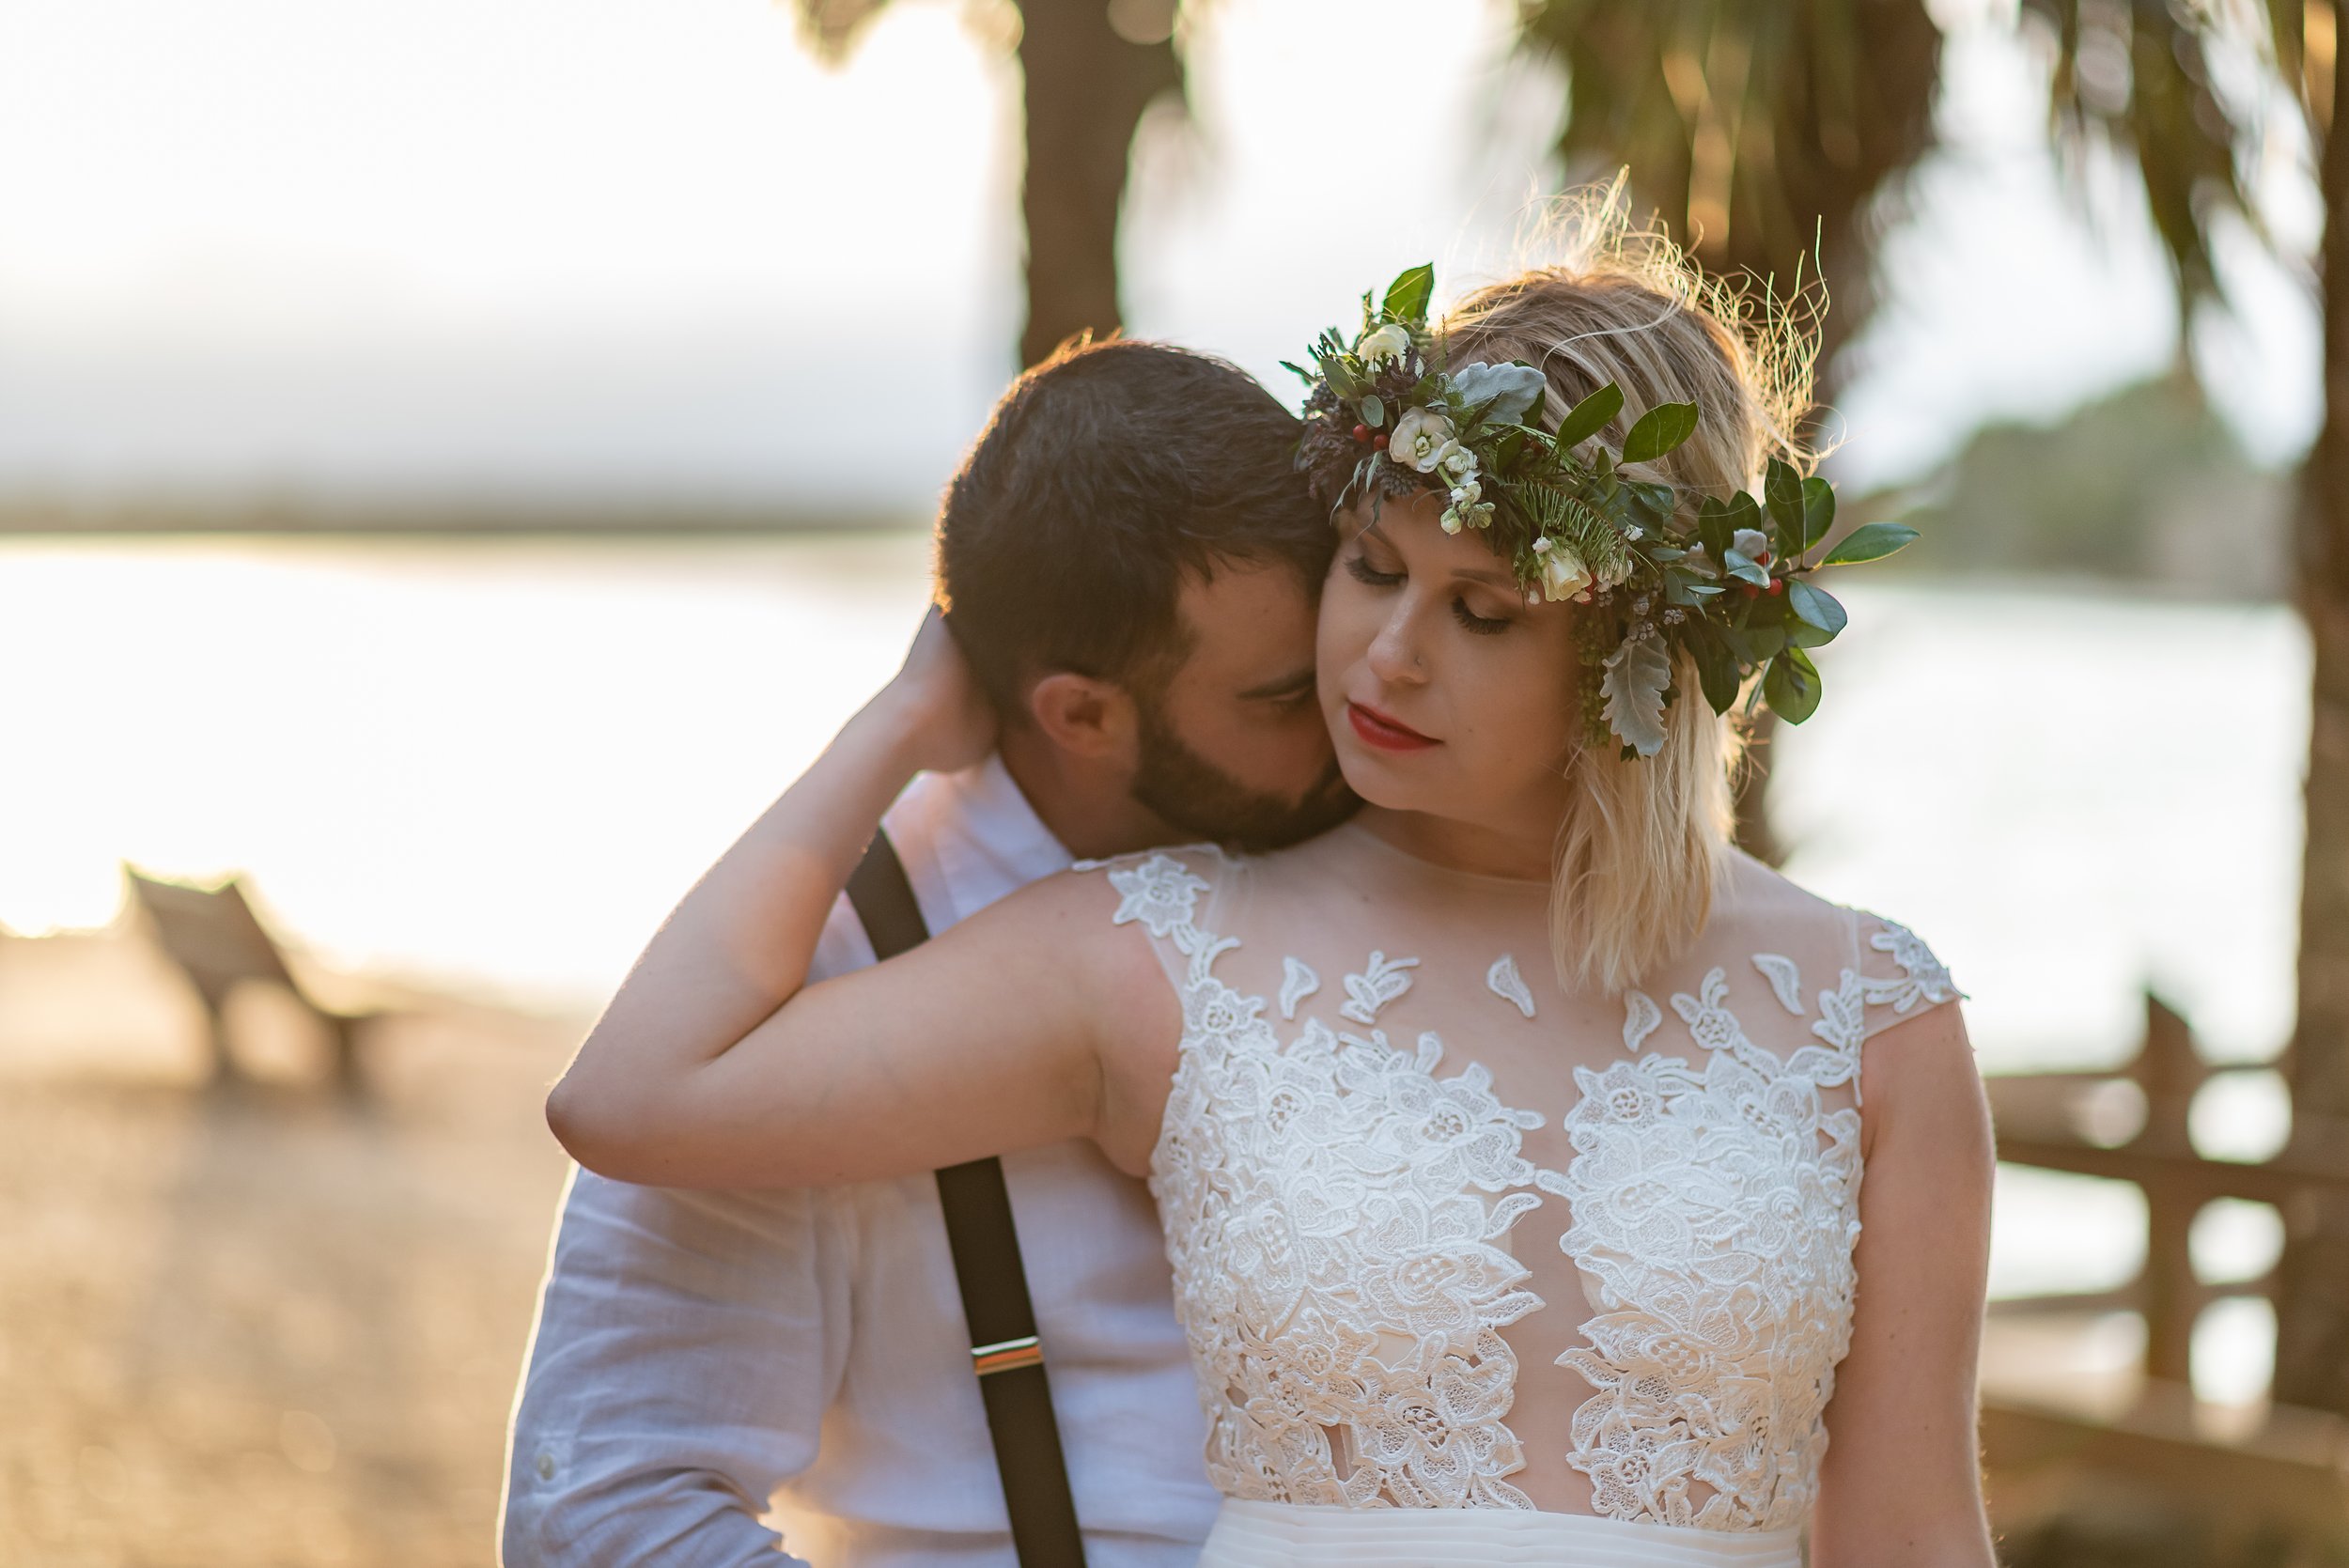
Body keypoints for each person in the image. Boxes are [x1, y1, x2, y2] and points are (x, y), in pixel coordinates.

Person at [544, 203, 1999, 1568]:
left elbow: (1917, 1539)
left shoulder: (1874, 1019)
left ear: (1641, 655)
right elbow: (633, 1098)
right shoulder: (1160, 952)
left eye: (1482, 609)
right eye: (1368, 568)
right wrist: (900, 726)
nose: (1387, 655)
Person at [501, 337, 1357, 1566]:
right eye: (1281, 698)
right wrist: (898, 720)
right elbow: (595, 1508)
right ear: (1081, 713)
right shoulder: (807, 976)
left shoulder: (1360, 856)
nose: (1347, 717)